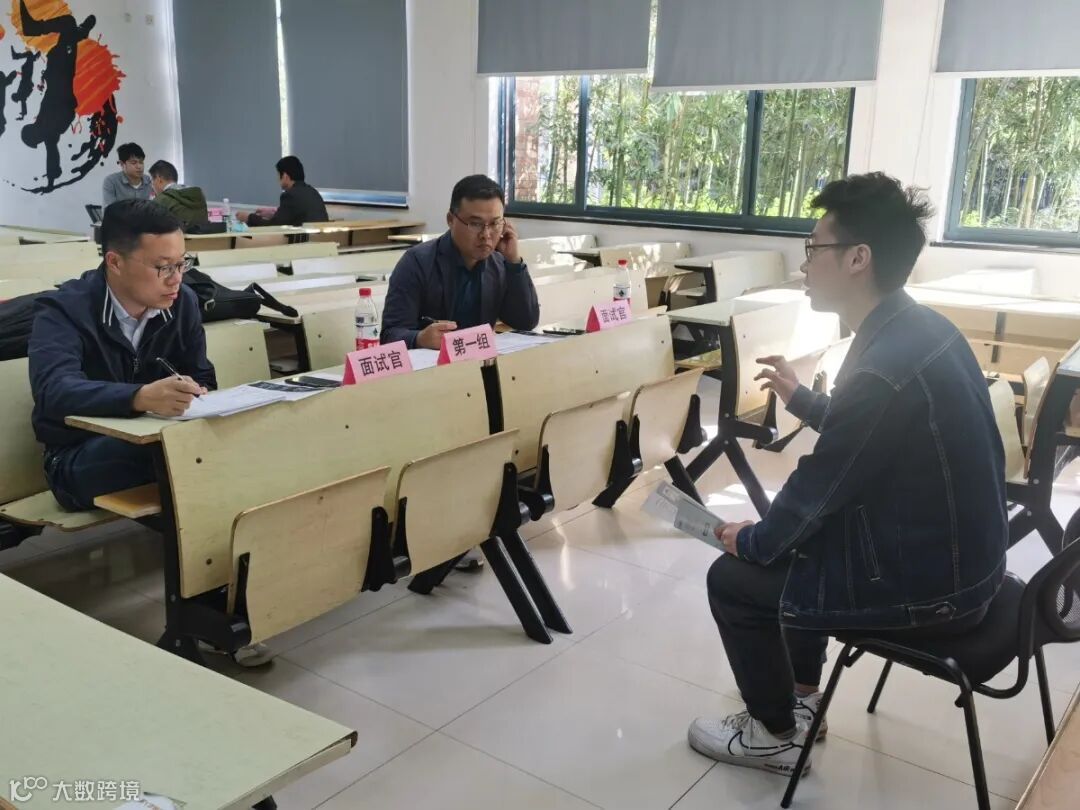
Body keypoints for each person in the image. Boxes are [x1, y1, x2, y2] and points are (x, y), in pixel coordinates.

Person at [687, 172, 1008, 776]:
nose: (804, 263)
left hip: (941, 590)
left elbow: (820, 486)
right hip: (970, 564)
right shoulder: (922, 328)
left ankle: (774, 735)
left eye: (814, 249)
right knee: (805, 540)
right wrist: (805, 400)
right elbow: (870, 436)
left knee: (734, 579)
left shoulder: (883, 363)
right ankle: (802, 699)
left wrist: (751, 542)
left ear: (858, 258)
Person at [29, 200, 213, 512]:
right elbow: (54, 391)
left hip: (158, 434)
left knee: (217, 441)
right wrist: (139, 397)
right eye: (163, 267)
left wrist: (194, 392)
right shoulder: (63, 310)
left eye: (182, 263)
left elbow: (203, 375)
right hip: (78, 454)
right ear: (115, 262)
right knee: (179, 454)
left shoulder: (183, 303)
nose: (176, 279)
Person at [381, 174, 539, 350]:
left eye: (495, 223)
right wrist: (420, 338)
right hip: (432, 365)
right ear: (451, 220)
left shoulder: (499, 264)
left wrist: (514, 262)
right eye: (475, 224)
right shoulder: (417, 263)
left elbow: (525, 322)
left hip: (479, 361)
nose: (486, 235)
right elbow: (389, 335)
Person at [18, 0, 95, 190]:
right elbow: (52, 157)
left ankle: (81, 31)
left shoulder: (46, 132)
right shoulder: (49, 133)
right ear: (33, 133)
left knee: (69, 30)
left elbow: (52, 158)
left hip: (59, 72)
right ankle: (39, 28)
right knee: (68, 24)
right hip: (61, 74)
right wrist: (51, 182)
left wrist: (51, 183)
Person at [237, 155, 327, 227]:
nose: (277, 179)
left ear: (285, 176)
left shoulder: (289, 195)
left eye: (278, 175)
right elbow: (293, 216)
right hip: (321, 241)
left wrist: (249, 218)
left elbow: (274, 227)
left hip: (302, 243)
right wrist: (274, 214)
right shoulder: (313, 192)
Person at [149, 160, 209, 231]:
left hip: (175, 238)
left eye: (152, 181)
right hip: (204, 237)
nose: (152, 186)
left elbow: (151, 229)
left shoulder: (161, 200)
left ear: (159, 179)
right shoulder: (199, 196)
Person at [10, 45, 40, 121]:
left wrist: (23, 116)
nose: (16, 93)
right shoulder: (22, 97)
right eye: (15, 94)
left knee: (30, 55)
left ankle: (31, 57)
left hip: (26, 74)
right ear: (16, 96)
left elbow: (23, 106)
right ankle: (32, 57)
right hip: (26, 74)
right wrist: (22, 116)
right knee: (30, 55)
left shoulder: (21, 96)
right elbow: (23, 105)